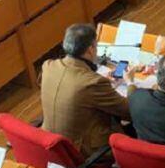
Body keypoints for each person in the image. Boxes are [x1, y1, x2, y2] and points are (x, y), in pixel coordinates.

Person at [41, 23, 133, 155]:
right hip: (83, 151)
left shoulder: (48, 66)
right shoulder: (93, 83)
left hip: (50, 142)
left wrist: (101, 81)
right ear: (90, 49)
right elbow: (129, 110)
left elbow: (70, 84)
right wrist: (130, 83)